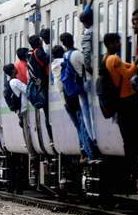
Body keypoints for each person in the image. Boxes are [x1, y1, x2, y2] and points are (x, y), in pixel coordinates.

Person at [103, 33, 138, 170]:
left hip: (119, 102)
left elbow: (127, 66)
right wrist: (137, 63)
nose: (120, 44)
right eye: (117, 42)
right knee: (135, 131)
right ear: (110, 44)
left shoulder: (106, 59)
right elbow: (128, 74)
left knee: (126, 136)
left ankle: (132, 166)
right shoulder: (115, 59)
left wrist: (135, 64)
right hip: (127, 99)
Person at [59, 32, 100, 162]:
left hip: (75, 87)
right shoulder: (77, 54)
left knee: (85, 113)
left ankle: (90, 138)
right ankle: (92, 136)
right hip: (84, 85)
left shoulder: (65, 55)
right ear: (72, 40)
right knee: (87, 112)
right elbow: (88, 65)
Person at [27, 34, 54, 145]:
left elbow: (34, 76)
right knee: (48, 113)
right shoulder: (38, 52)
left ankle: (51, 137)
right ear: (38, 43)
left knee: (47, 113)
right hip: (44, 86)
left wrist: (39, 84)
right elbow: (47, 60)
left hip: (41, 86)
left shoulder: (32, 54)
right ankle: (51, 136)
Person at [79, 10, 97, 142]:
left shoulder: (87, 34)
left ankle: (92, 136)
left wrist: (88, 68)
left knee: (86, 109)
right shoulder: (97, 31)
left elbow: (86, 55)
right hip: (92, 78)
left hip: (88, 78)